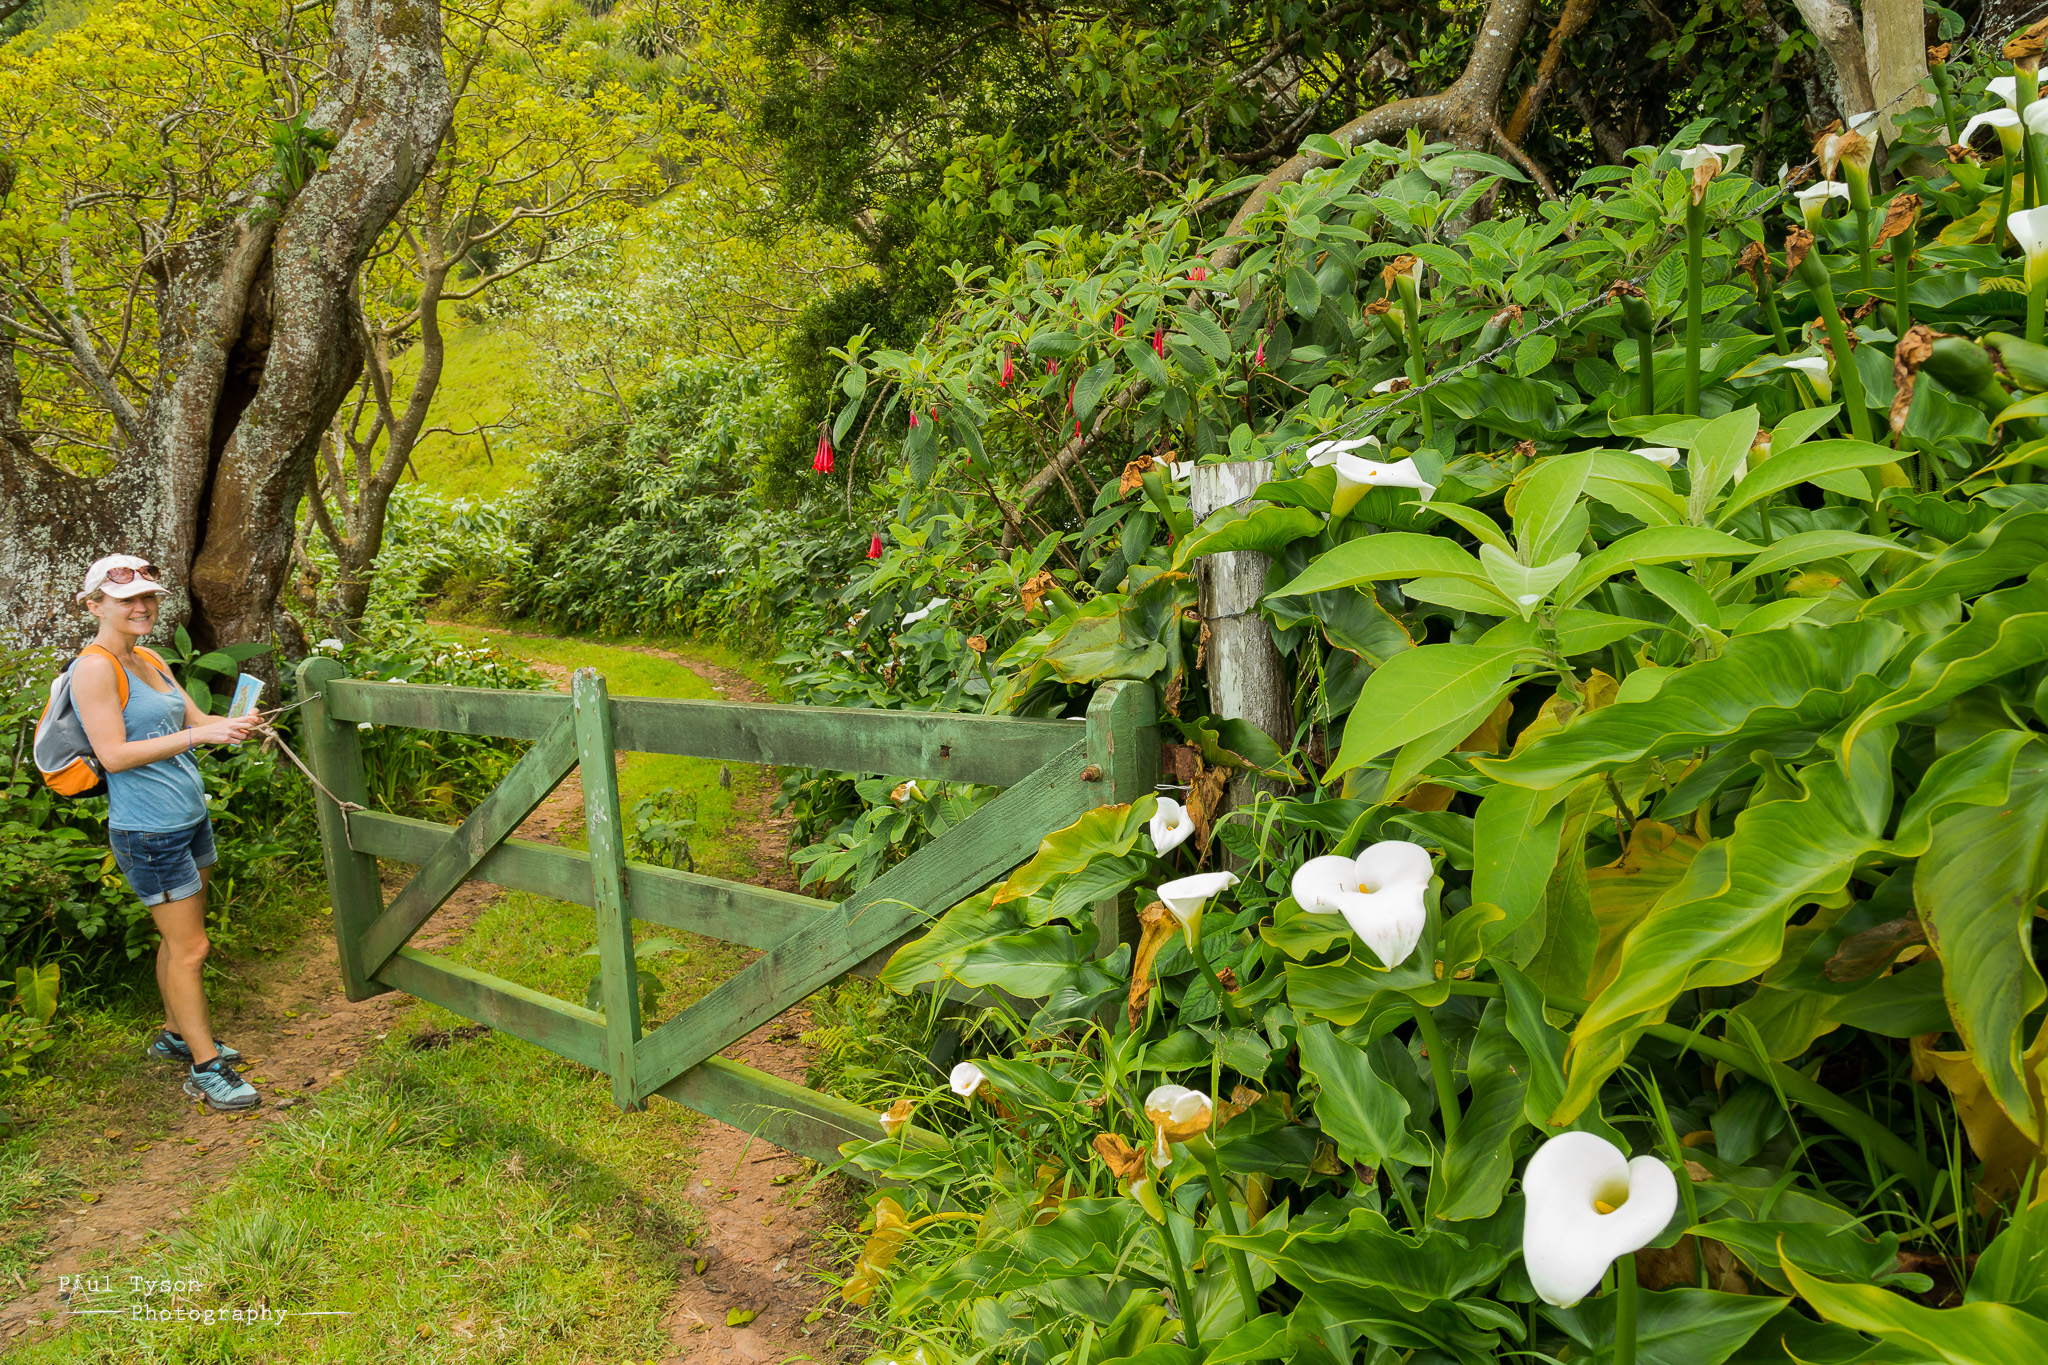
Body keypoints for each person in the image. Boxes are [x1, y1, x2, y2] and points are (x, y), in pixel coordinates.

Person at [69, 555, 262, 1112]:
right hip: (149, 831)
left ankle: (176, 1034)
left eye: (148, 596)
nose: (142, 606)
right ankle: (205, 1066)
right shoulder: (94, 668)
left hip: (188, 817)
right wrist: (200, 739)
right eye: (126, 599)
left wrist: (233, 724)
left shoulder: (151, 658)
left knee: (179, 941)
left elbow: (196, 722)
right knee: (192, 947)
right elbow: (113, 755)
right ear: (95, 606)